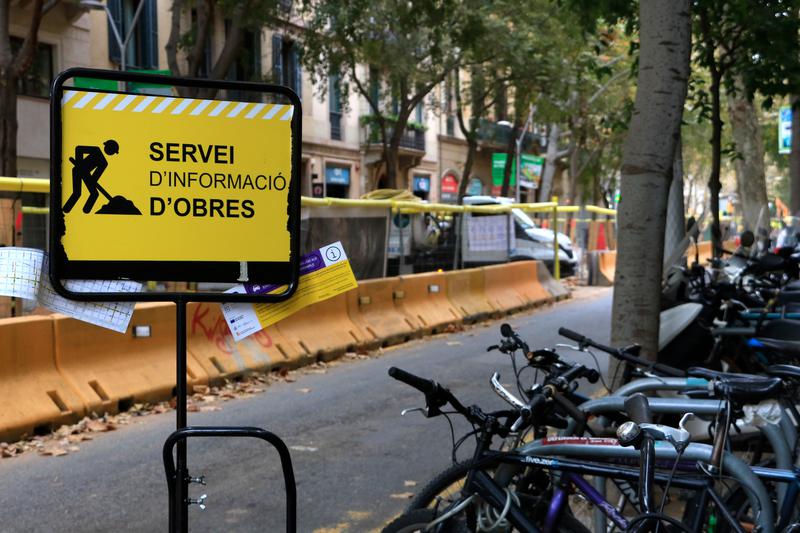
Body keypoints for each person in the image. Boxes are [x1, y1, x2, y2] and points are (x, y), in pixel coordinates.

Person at [63, 139, 119, 214]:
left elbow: (95, 176)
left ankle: (85, 211)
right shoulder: (96, 150)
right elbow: (79, 149)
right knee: (77, 193)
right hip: (77, 171)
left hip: (86, 175)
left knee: (94, 194)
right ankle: (65, 210)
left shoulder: (104, 163)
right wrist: (79, 163)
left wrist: (92, 180)